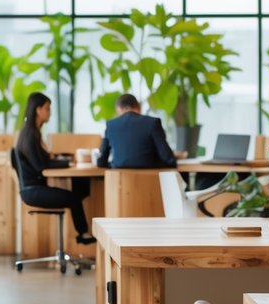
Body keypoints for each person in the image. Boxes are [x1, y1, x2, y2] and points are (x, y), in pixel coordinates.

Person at [14, 92, 95, 245]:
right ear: (38, 110)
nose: (49, 113)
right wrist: (68, 164)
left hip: (33, 188)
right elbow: (40, 166)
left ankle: (83, 234)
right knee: (75, 198)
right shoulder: (30, 134)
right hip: (33, 191)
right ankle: (83, 234)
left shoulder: (32, 133)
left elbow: (42, 160)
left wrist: (61, 160)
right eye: (47, 108)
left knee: (80, 191)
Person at [97, 93, 178, 169]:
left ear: (119, 109)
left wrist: (115, 165)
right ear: (138, 106)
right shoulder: (153, 123)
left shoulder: (111, 125)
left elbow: (101, 162)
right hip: (151, 182)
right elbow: (169, 159)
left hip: (120, 182)